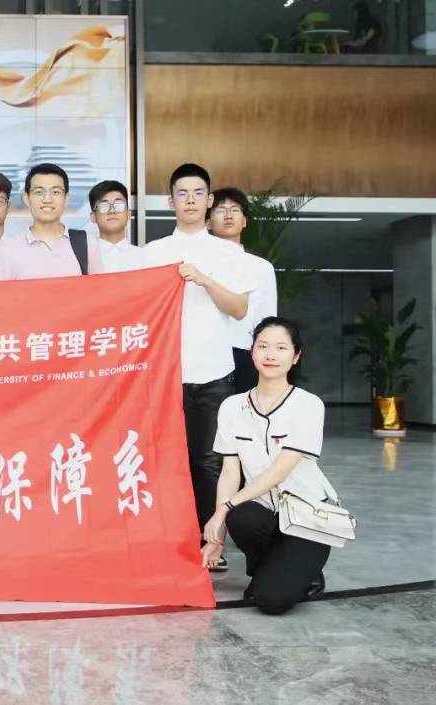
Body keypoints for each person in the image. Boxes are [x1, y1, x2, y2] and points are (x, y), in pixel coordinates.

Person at [142, 163, 256, 572]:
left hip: (213, 373)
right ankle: (169, 540)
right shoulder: (152, 252)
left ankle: (211, 543)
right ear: (169, 201)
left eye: (197, 193)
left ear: (209, 200)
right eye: (182, 193)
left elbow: (239, 309)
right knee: (164, 461)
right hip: (164, 373)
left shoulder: (229, 253)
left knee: (210, 463)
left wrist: (206, 281)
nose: (189, 200)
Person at [202, 317, 331, 614]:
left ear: (296, 356)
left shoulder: (308, 405)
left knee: (272, 602)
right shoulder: (232, 407)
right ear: (252, 353)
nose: (270, 354)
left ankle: (306, 571)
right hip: (262, 511)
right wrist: (218, 534)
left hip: (306, 516)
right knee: (241, 517)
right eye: (263, 346)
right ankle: (267, 571)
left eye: (281, 348)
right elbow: (230, 472)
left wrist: (223, 508)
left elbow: (280, 472)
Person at [208, 187, 278, 393]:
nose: (228, 215)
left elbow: (268, 316)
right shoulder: (200, 264)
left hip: (247, 352)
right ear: (208, 222)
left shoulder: (262, 267)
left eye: (235, 210)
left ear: (245, 221)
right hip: (208, 353)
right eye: (220, 210)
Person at [0, 163, 104, 280]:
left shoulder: (87, 244)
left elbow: (100, 289)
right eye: (39, 192)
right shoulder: (6, 249)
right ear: (26, 198)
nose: (47, 199)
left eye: (55, 192)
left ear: (66, 198)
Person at [88, 179, 147, 273]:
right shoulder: (84, 260)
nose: (112, 211)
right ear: (93, 216)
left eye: (118, 205)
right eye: (104, 206)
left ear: (128, 213)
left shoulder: (145, 258)